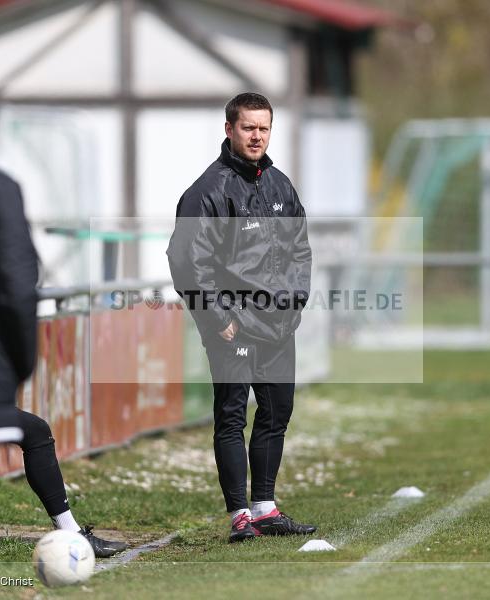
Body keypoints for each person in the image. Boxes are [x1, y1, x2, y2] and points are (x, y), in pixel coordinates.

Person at [0, 84, 126, 588]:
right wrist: (18, 362)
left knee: (29, 429)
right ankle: (68, 534)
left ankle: (68, 533)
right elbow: (17, 287)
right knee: (16, 436)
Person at [167, 92, 316, 543]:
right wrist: (220, 320)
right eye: (248, 127)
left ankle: (265, 508)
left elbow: (300, 251)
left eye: (264, 128)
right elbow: (185, 260)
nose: (257, 136)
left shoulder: (280, 186)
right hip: (232, 327)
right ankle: (239, 516)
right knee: (232, 417)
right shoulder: (207, 191)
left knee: (277, 412)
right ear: (229, 129)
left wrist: (293, 305)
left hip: (277, 326)